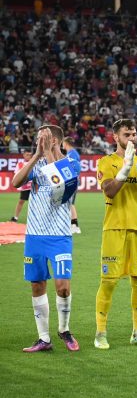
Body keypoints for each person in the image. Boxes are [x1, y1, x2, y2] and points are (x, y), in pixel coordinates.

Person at [94, 119, 137, 349]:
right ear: (115, 137)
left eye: (134, 134)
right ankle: (100, 333)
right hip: (115, 228)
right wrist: (125, 168)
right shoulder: (106, 162)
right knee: (109, 281)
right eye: (127, 134)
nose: (132, 138)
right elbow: (110, 191)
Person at [13, 125, 80, 352]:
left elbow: (60, 187)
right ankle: (44, 339)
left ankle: (64, 330)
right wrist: (36, 156)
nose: (38, 141)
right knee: (37, 284)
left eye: (43, 138)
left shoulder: (71, 164)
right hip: (34, 235)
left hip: (59, 236)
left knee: (63, 287)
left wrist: (49, 153)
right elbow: (16, 182)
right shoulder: (37, 163)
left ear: (55, 141)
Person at [62, 137, 81, 234]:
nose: (62, 145)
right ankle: (72, 224)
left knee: (70, 203)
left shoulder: (72, 154)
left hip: (71, 181)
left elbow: (75, 168)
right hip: (71, 181)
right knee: (69, 203)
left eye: (63, 143)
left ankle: (75, 225)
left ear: (66, 143)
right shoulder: (72, 153)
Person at [10, 149, 32, 222]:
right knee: (21, 201)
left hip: (33, 186)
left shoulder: (33, 162)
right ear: (24, 155)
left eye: (30, 155)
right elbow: (16, 174)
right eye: (27, 155)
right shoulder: (20, 164)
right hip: (25, 186)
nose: (28, 156)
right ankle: (15, 217)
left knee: (35, 202)